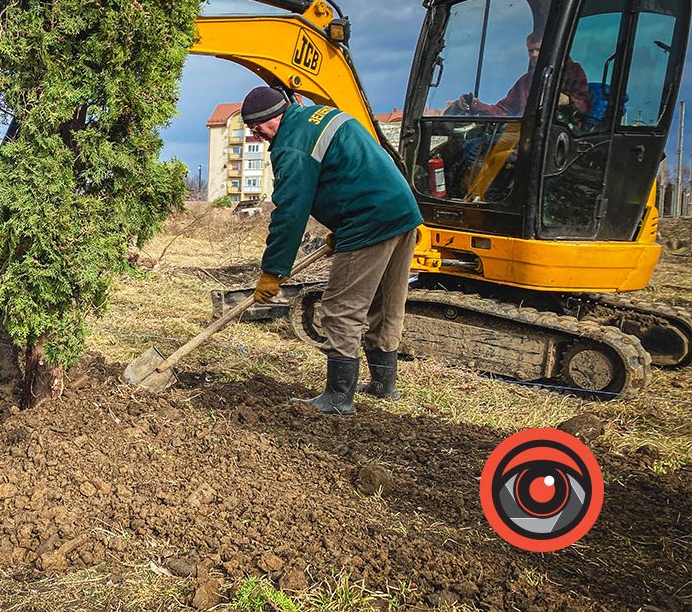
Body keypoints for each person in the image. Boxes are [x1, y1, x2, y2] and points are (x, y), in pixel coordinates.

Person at [244, 86, 423, 415]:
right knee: (385, 305)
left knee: (341, 308)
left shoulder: (292, 144)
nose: (259, 137)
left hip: (369, 221)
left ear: (273, 118)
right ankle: (384, 388)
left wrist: (272, 271)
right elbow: (351, 169)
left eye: (258, 129)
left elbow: (289, 212)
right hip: (402, 213)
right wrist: (340, 227)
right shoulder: (320, 114)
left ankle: (338, 398)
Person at [457, 30, 590, 117]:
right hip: (520, 132)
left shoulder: (573, 72)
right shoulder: (525, 81)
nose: (533, 55)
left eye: (538, 50)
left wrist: (567, 100)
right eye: (530, 51)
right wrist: (476, 105)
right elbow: (504, 110)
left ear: (551, 50)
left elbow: (585, 106)